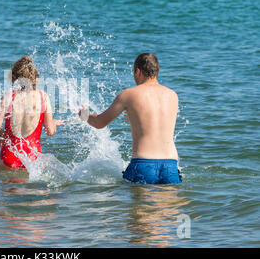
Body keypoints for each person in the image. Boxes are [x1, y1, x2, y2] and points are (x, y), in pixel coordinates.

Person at [78, 53, 182, 184]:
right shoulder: (172, 95)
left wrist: (85, 115)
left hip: (144, 164)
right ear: (157, 71)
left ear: (137, 71)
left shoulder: (129, 94)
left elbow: (99, 123)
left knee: (141, 204)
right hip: (170, 165)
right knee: (169, 204)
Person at [0, 56, 64, 169]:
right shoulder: (43, 97)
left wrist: (3, 136)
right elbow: (50, 131)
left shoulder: (8, 96)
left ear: (14, 77)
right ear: (35, 77)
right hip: (32, 158)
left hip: (8, 157)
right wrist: (54, 123)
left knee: (10, 185)